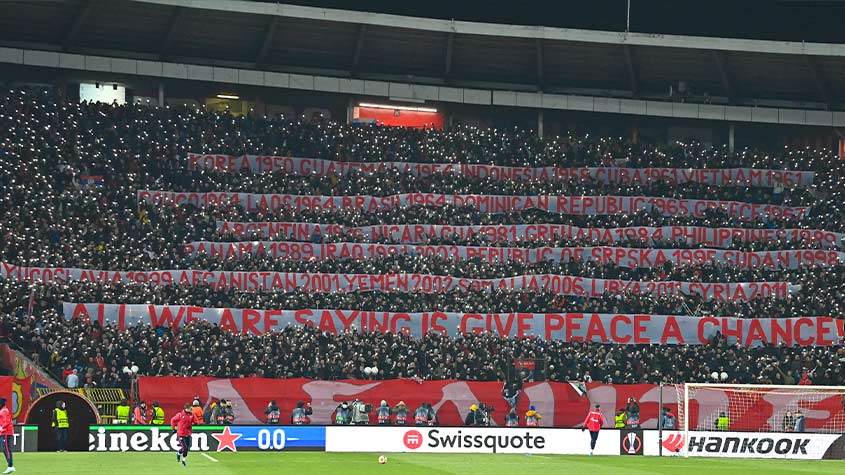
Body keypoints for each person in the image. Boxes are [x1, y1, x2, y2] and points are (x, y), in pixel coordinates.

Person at [0, 398, 15, 474]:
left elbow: (7, 421)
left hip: (6, 432)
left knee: (6, 449)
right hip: (4, 432)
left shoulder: (4, 411)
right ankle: (10, 465)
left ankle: (10, 466)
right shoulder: (3, 411)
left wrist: (1, 428)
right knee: (5, 449)